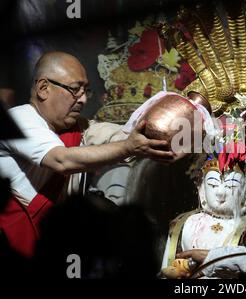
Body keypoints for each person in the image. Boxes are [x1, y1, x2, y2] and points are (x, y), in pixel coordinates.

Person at [0, 51, 174, 258]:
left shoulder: (77, 129)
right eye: (75, 90)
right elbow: (61, 160)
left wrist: (162, 135)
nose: (82, 100)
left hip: (52, 245)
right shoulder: (20, 119)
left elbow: (118, 137)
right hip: (14, 243)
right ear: (43, 88)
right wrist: (129, 147)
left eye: (86, 91)